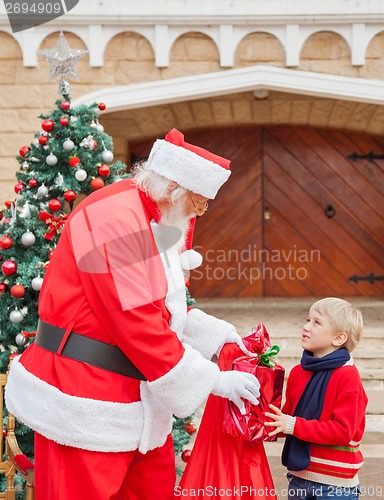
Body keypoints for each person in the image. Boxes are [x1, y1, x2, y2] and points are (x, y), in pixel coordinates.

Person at [5, 128, 261, 500]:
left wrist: (216, 337)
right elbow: (135, 319)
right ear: (174, 189)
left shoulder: (154, 216)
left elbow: (163, 304)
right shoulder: (116, 218)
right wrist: (211, 381)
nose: (200, 212)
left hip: (136, 400)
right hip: (87, 398)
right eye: (199, 202)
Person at [265, 297, 368, 500]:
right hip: (298, 477)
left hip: (335, 485)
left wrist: (291, 425)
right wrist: (263, 421)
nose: (306, 326)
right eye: (307, 320)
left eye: (317, 322)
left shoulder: (347, 376)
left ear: (338, 338)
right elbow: (288, 418)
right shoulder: (297, 372)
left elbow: (343, 431)